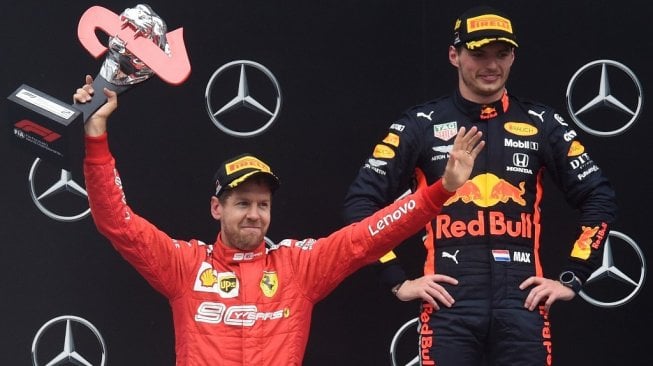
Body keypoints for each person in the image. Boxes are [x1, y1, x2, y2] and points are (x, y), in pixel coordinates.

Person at [74, 73, 484, 366]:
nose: (255, 214)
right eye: (242, 203)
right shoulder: (184, 265)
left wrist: (439, 190)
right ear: (217, 208)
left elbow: (368, 237)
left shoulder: (298, 267)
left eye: (263, 205)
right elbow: (117, 222)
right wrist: (96, 134)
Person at [342, 5, 617, 366]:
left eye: (501, 54)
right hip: (449, 306)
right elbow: (361, 205)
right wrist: (396, 279)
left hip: (523, 305)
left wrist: (571, 277)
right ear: (454, 55)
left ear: (513, 56)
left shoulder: (542, 123)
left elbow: (598, 195)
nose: (491, 65)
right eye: (478, 54)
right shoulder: (421, 125)